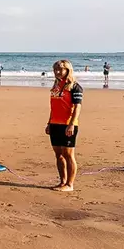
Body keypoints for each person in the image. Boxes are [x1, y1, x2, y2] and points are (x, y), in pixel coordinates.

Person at [47, 59, 83, 192]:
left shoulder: (75, 87)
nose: (57, 72)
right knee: (58, 155)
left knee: (68, 154)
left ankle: (70, 184)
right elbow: (53, 107)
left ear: (68, 70)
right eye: (55, 69)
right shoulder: (55, 86)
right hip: (55, 123)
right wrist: (49, 123)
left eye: (60, 69)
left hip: (68, 125)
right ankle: (62, 181)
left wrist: (71, 124)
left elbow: (77, 108)